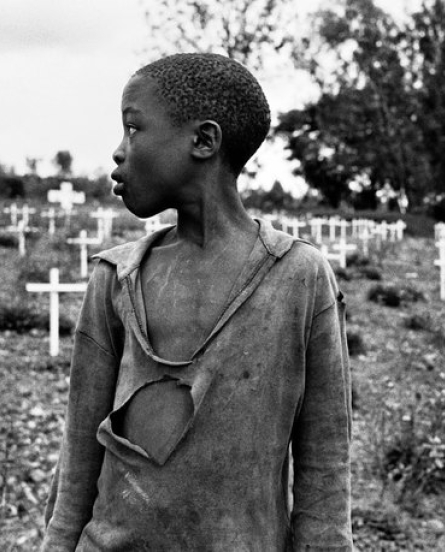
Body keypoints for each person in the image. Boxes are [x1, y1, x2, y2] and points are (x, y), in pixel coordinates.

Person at [41, 53, 353, 551]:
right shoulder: (116, 278)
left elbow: (325, 464)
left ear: (204, 141)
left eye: (134, 129)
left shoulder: (298, 278)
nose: (119, 152)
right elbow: (78, 457)